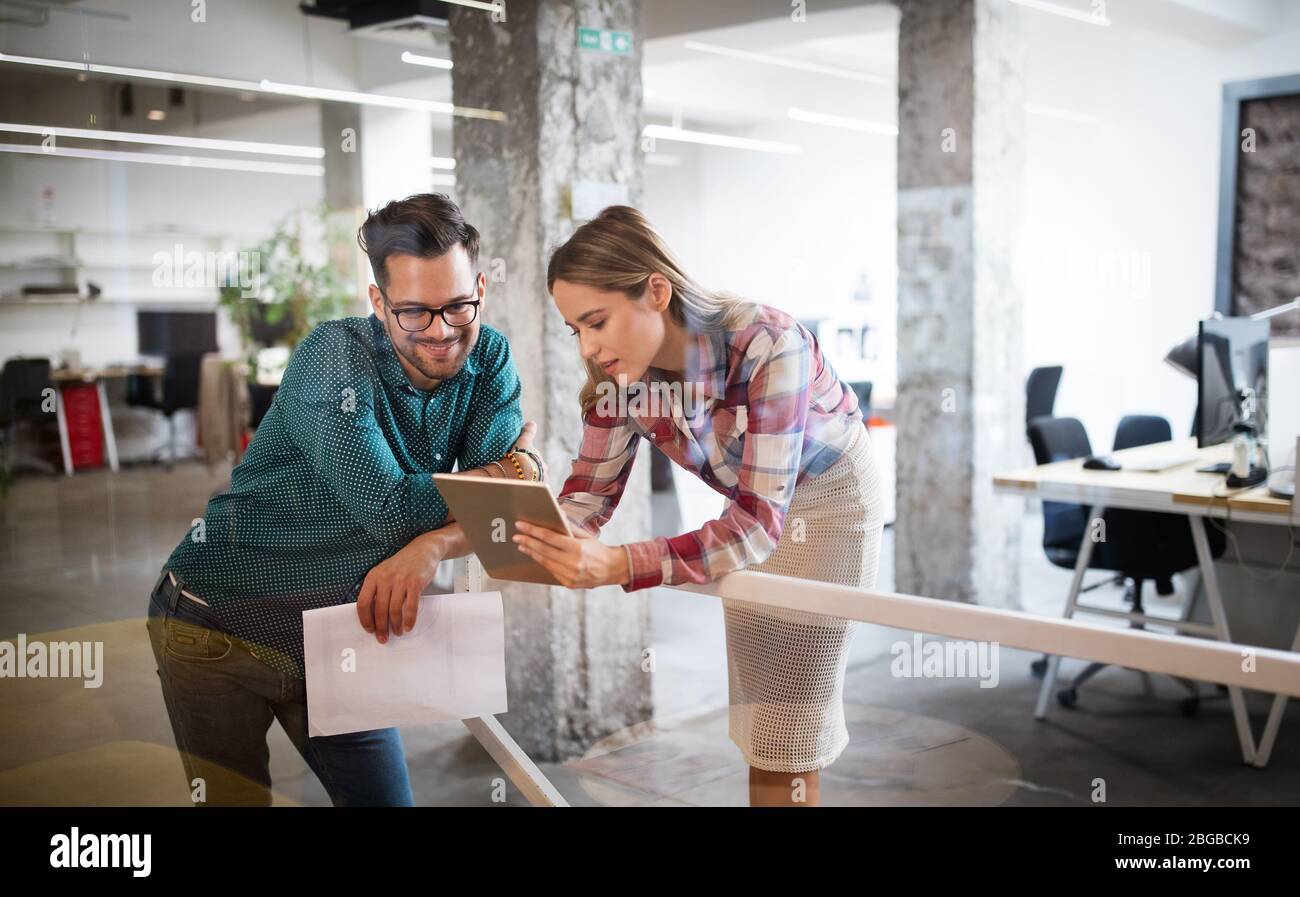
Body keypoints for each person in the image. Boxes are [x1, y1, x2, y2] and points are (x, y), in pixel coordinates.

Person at [146, 193, 545, 806]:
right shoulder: (332, 360)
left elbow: (501, 511)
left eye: (458, 306)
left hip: (336, 635)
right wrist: (512, 468)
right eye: (414, 312)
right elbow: (390, 515)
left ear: (481, 289)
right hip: (214, 623)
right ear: (377, 302)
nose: (442, 332)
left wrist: (434, 546)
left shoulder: (488, 356)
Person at [512, 205, 884, 807]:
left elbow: (760, 527)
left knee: (792, 722)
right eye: (574, 329)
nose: (587, 345)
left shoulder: (768, 342)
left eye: (596, 321)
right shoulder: (621, 376)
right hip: (749, 511)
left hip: (830, 503)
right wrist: (529, 526)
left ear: (656, 290)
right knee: (762, 717)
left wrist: (618, 564)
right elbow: (588, 494)